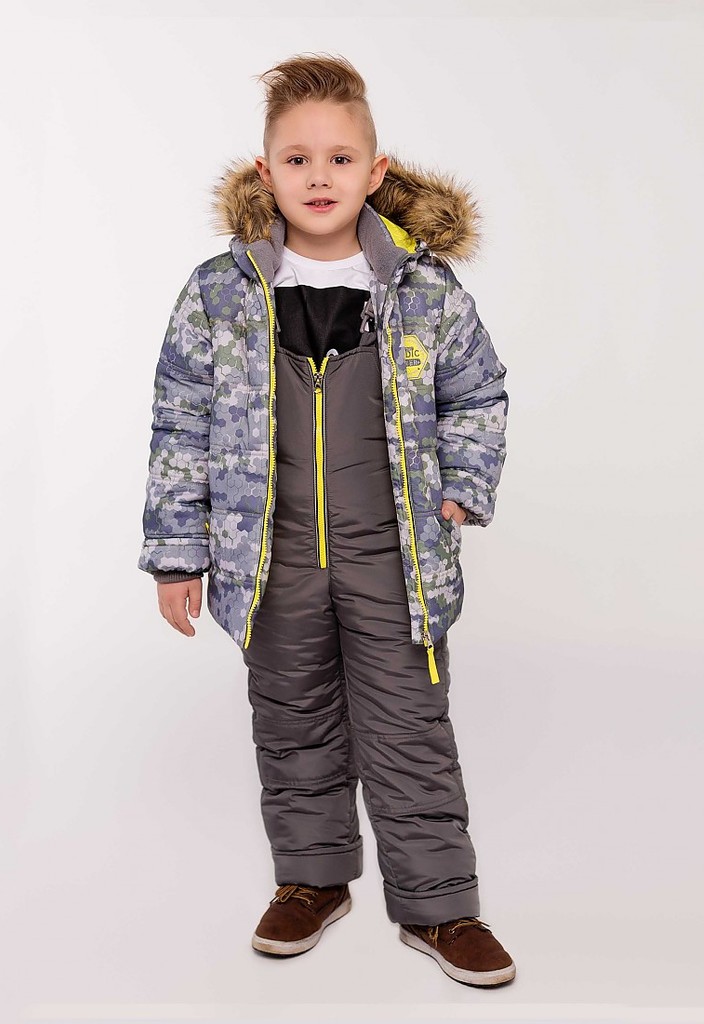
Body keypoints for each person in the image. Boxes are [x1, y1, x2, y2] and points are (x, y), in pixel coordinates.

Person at [137, 52, 515, 987]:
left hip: (395, 553)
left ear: (375, 172)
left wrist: (464, 483)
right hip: (267, 552)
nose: (319, 177)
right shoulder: (220, 294)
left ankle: (441, 906)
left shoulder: (423, 290)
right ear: (264, 173)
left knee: (409, 724)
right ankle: (311, 881)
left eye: (340, 159)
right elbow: (180, 419)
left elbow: (477, 393)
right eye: (297, 159)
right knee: (293, 718)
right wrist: (179, 555)